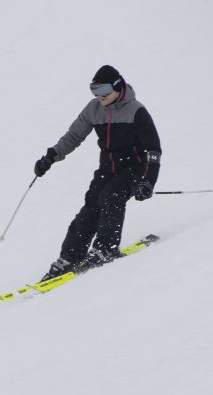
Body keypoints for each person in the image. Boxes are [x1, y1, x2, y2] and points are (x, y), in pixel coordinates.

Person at [34, 65, 162, 280]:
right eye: (94, 90)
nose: (99, 96)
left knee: (111, 197)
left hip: (134, 168)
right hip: (108, 168)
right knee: (91, 206)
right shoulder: (94, 109)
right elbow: (74, 136)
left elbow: (153, 150)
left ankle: (106, 248)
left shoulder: (136, 111)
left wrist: (148, 181)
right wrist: (51, 156)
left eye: (103, 90)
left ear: (117, 87)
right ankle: (69, 258)